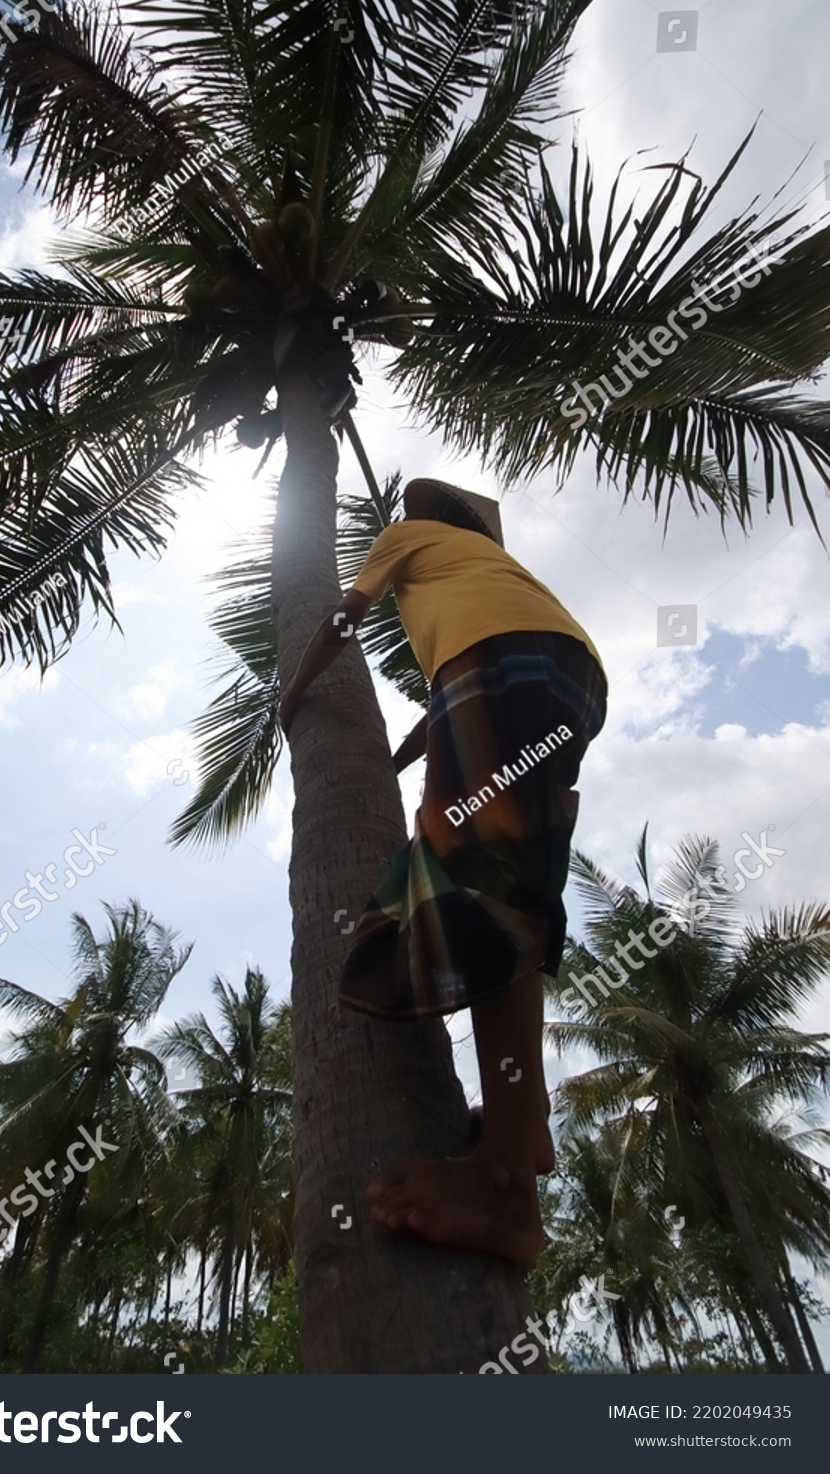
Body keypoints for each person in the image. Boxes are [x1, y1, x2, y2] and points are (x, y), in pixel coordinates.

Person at [278, 478, 607, 1267]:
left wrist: (292, 692)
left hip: (494, 666)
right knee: (501, 871)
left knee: (480, 885)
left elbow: (339, 619)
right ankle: (519, 1129)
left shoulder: (405, 537)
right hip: (567, 677)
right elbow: (455, 701)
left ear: (424, 519)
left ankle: (504, 1186)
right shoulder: (490, 572)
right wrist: (397, 756)